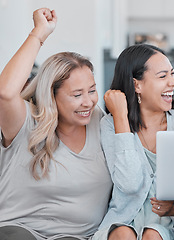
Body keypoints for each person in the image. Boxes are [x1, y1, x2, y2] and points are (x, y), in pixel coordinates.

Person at [0, 8, 112, 240]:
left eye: (92, 91)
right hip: (20, 229)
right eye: (77, 94)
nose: (88, 101)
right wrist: (39, 34)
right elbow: (5, 92)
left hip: (78, 236)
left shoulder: (101, 122)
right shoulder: (25, 123)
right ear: (52, 96)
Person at [92, 44, 174, 240]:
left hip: (169, 227)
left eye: (172, 74)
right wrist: (120, 118)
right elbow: (130, 185)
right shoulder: (111, 125)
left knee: (153, 236)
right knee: (123, 234)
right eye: (163, 76)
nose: (173, 82)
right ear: (137, 85)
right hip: (123, 222)